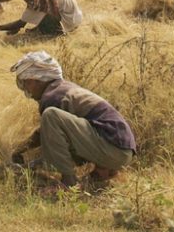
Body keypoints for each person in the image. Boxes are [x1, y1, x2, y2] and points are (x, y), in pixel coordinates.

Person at [10, 51, 136, 191]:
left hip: (113, 148)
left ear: (39, 79)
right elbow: (60, 142)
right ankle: (104, 170)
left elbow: (43, 134)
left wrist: (17, 150)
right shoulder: (61, 89)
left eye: (27, 82)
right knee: (52, 149)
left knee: (50, 115)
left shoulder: (52, 97)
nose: (26, 88)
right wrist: (30, 164)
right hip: (121, 150)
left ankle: (68, 182)